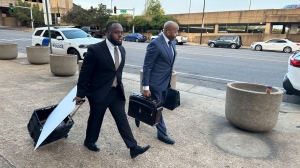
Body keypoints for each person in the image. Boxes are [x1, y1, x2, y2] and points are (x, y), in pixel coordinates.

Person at [73, 21, 150, 159]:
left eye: (121, 32)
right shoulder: (95, 50)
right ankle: (89, 141)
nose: (120, 35)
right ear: (107, 33)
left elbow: (117, 73)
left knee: (122, 119)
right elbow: (85, 74)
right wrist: (80, 94)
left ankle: (133, 147)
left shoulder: (122, 50)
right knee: (96, 119)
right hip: (99, 93)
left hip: (116, 92)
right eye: (116, 32)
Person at [142, 21, 179, 145]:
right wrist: (146, 87)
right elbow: (147, 66)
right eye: (175, 32)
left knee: (159, 105)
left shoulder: (172, 42)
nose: (177, 34)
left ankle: (139, 114)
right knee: (158, 108)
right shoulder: (155, 44)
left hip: (166, 81)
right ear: (168, 32)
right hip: (155, 83)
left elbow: (168, 61)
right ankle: (162, 134)